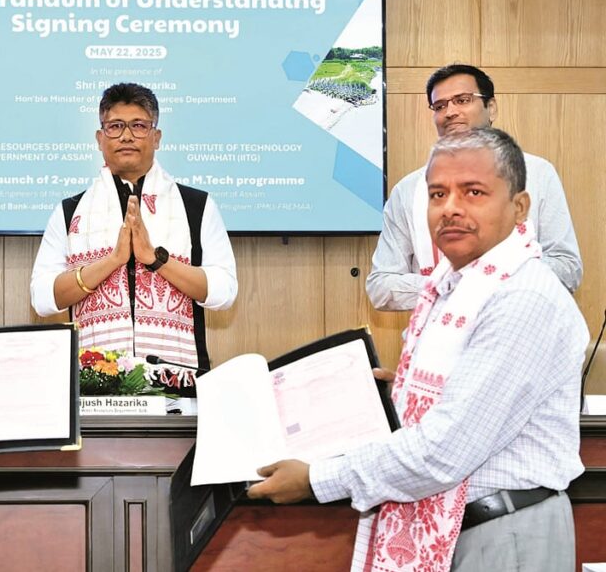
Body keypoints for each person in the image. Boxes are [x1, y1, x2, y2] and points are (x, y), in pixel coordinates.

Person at [249, 128, 587, 571]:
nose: (450, 208)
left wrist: (316, 479)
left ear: (520, 207)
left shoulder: (521, 296)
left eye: (474, 192)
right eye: (438, 194)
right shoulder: (453, 285)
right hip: (459, 529)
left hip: (503, 537)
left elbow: (445, 450)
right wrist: (406, 393)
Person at [30, 83, 237, 390]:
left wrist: (155, 259)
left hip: (176, 388)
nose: (126, 136)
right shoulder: (70, 212)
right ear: (100, 138)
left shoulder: (196, 206)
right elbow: (43, 299)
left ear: (156, 137)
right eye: (115, 126)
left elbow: (224, 291)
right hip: (95, 387)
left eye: (138, 125)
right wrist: (112, 261)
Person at [366, 64, 581, 311]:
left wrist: (493, 277)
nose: (450, 112)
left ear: (491, 108)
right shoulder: (408, 191)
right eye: (440, 106)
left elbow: (568, 268)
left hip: (520, 327)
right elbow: (380, 287)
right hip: (440, 332)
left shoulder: (537, 173)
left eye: (462, 100)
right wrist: (449, 284)